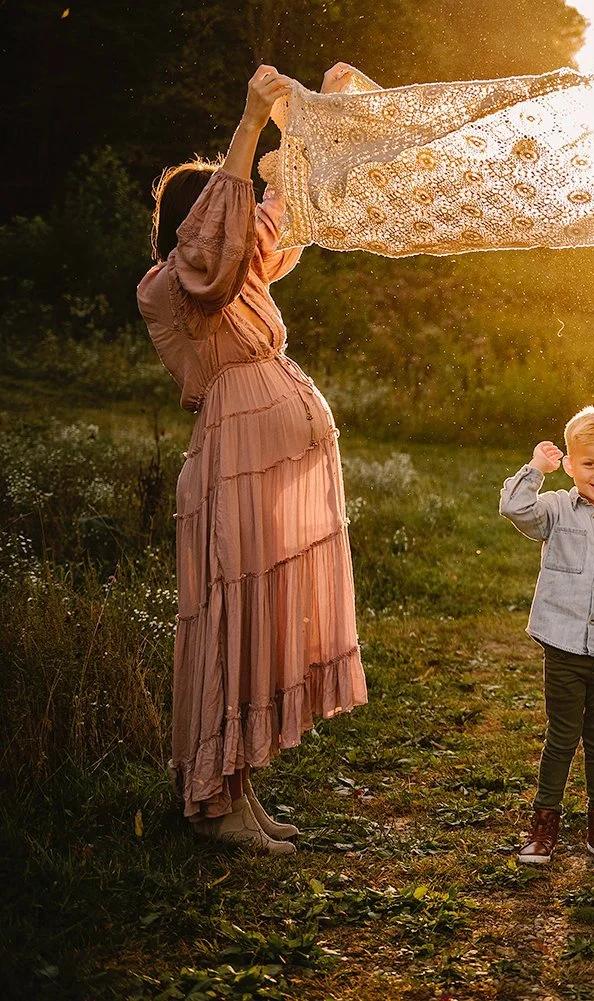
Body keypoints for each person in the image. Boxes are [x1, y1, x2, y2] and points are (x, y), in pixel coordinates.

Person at [137, 63, 369, 851]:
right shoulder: (178, 285)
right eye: (222, 213)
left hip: (269, 459)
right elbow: (217, 244)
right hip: (234, 457)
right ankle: (216, 799)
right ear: (196, 220)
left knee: (258, 618)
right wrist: (247, 126)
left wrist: (322, 118)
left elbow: (286, 207)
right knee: (233, 618)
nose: (242, 230)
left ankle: (242, 790)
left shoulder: (240, 273)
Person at [499, 407, 594, 864]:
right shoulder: (555, 510)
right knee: (563, 736)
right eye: (589, 464)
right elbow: (514, 507)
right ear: (570, 464)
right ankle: (543, 827)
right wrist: (535, 469)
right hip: (563, 644)